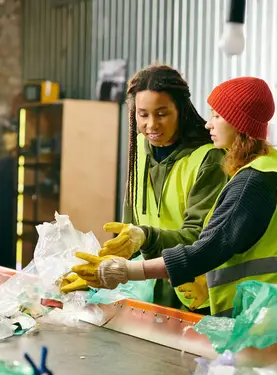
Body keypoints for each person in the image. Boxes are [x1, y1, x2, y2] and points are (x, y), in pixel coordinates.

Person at [73, 77, 277, 341]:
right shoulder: (272, 167)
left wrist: (125, 272)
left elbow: (207, 249)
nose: (208, 123)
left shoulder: (253, 181)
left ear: (239, 123)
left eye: (217, 116)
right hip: (273, 321)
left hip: (267, 327)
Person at [61, 64, 227, 311]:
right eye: (143, 114)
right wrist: (101, 271)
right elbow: (129, 228)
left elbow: (199, 239)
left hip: (196, 293)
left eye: (162, 114)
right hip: (148, 285)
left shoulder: (209, 159)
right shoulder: (140, 148)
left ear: (180, 110)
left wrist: (145, 238)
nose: (151, 125)